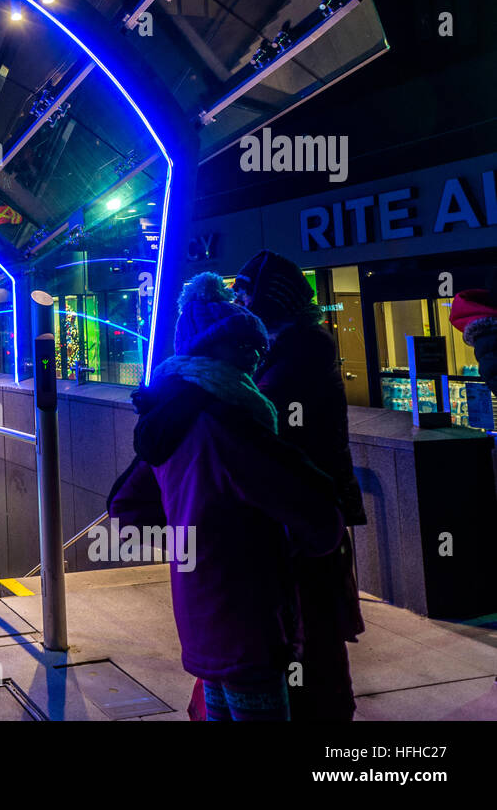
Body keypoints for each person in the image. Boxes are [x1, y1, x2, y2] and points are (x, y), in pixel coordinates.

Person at [108, 272, 345, 721]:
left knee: (219, 707)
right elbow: (316, 513)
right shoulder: (230, 425)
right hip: (248, 610)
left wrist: (191, 536)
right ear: (209, 350)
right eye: (241, 345)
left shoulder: (171, 417)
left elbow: (126, 505)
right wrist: (264, 540)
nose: (255, 356)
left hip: (200, 607)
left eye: (258, 346)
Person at [233, 249, 367, 722]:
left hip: (306, 516)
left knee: (311, 625)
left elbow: (272, 430)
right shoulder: (293, 349)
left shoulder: (296, 356)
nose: (239, 300)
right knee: (310, 623)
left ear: (273, 299)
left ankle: (321, 712)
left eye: (246, 292)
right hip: (308, 512)